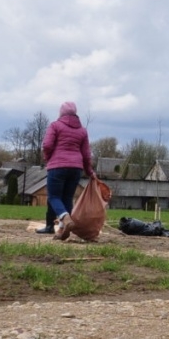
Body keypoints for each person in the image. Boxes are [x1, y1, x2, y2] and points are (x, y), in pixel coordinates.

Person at [40, 102, 95, 239]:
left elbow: (47, 145)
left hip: (57, 166)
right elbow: (87, 154)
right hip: (76, 168)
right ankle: (62, 230)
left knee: (54, 197)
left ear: (61, 113)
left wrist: (48, 158)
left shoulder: (55, 125)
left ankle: (65, 218)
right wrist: (89, 171)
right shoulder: (82, 131)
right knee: (67, 198)